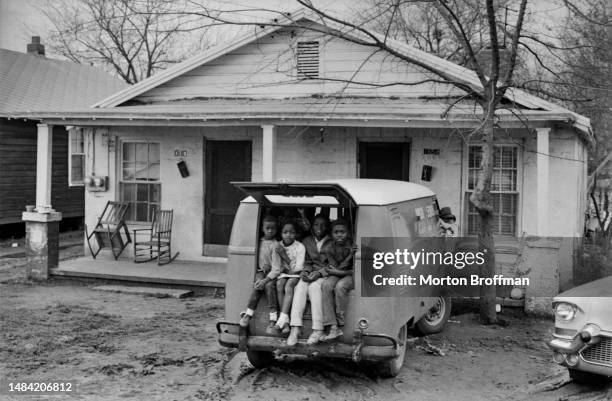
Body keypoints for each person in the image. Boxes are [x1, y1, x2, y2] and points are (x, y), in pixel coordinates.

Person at [287, 215, 332, 346]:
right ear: (312, 226)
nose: (319, 228)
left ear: (328, 227)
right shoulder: (307, 241)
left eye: (323, 225)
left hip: (326, 274)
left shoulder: (332, 241)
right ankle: (295, 328)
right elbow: (307, 261)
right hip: (311, 272)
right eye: (316, 224)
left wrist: (319, 273)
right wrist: (305, 272)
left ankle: (318, 329)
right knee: (300, 286)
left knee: (314, 288)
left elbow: (334, 264)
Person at [239, 215, 282, 333]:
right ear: (262, 229)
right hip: (260, 272)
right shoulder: (258, 242)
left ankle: (273, 319)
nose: (270, 230)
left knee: (269, 287)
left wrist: (265, 280)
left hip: (271, 274)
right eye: (267, 228)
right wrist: (261, 279)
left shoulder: (276, 245)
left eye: (272, 228)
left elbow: (277, 269)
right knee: (257, 286)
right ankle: (248, 314)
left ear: (276, 230)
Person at [319, 218, 356, 342]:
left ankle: (340, 320)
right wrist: (348, 258)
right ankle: (332, 326)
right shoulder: (329, 248)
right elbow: (338, 267)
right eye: (336, 232)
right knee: (326, 286)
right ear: (331, 234)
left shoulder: (352, 245)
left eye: (342, 232)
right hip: (342, 272)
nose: (339, 235)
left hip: (351, 275)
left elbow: (353, 270)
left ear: (348, 233)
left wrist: (351, 255)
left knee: (340, 286)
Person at [274, 221, 306, 333]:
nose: (288, 234)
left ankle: (281, 318)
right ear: (281, 233)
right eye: (285, 232)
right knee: (279, 284)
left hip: (296, 274)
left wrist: (284, 255)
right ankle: (286, 321)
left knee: (289, 285)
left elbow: (298, 268)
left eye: (292, 232)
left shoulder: (300, 247)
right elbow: (276, 266)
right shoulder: (278, 245)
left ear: (296, 234)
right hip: (282, 274)